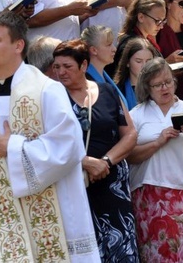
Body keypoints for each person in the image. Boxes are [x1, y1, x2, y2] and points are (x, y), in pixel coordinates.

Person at [0, 11, 100, 262]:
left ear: (18, 45)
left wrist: (13, 147)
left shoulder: (47, 89)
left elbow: (70, 146)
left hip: (48, 206)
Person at [53, 40, 139, 262]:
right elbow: (48, 143)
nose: (61, 72)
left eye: (67, 66)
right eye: (57, 67)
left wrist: (106, 162)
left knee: (121, 247)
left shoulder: (108, 91)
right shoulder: (51, 98)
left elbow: (129, 134)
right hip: (75, 184)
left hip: (112, 185)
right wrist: (84, 162)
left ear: (83, 66)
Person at [128, 58, 183, 262]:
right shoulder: (136, 114)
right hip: (148, 194)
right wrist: (158, 142)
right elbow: (130, 156)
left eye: (168, 82)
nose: (165, 88)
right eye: (158, 84)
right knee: (155, 253)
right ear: (147, 87)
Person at [108, 0, 165, 78]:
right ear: (141, 17)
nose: (161, 26)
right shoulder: (130, 43)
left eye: (163, 21)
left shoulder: (147, 40)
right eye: (157, 21)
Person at [81, 25, 126, 99]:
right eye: (108, 45)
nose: (114, 49)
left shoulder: (104, 75)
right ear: (94, 50)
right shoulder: (87, 81)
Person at [114, 38, 157, 110]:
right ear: (127, 62)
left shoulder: (161, 87)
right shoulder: (117, 91)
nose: (144, 66)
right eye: (138, 61)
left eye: (148, 61)